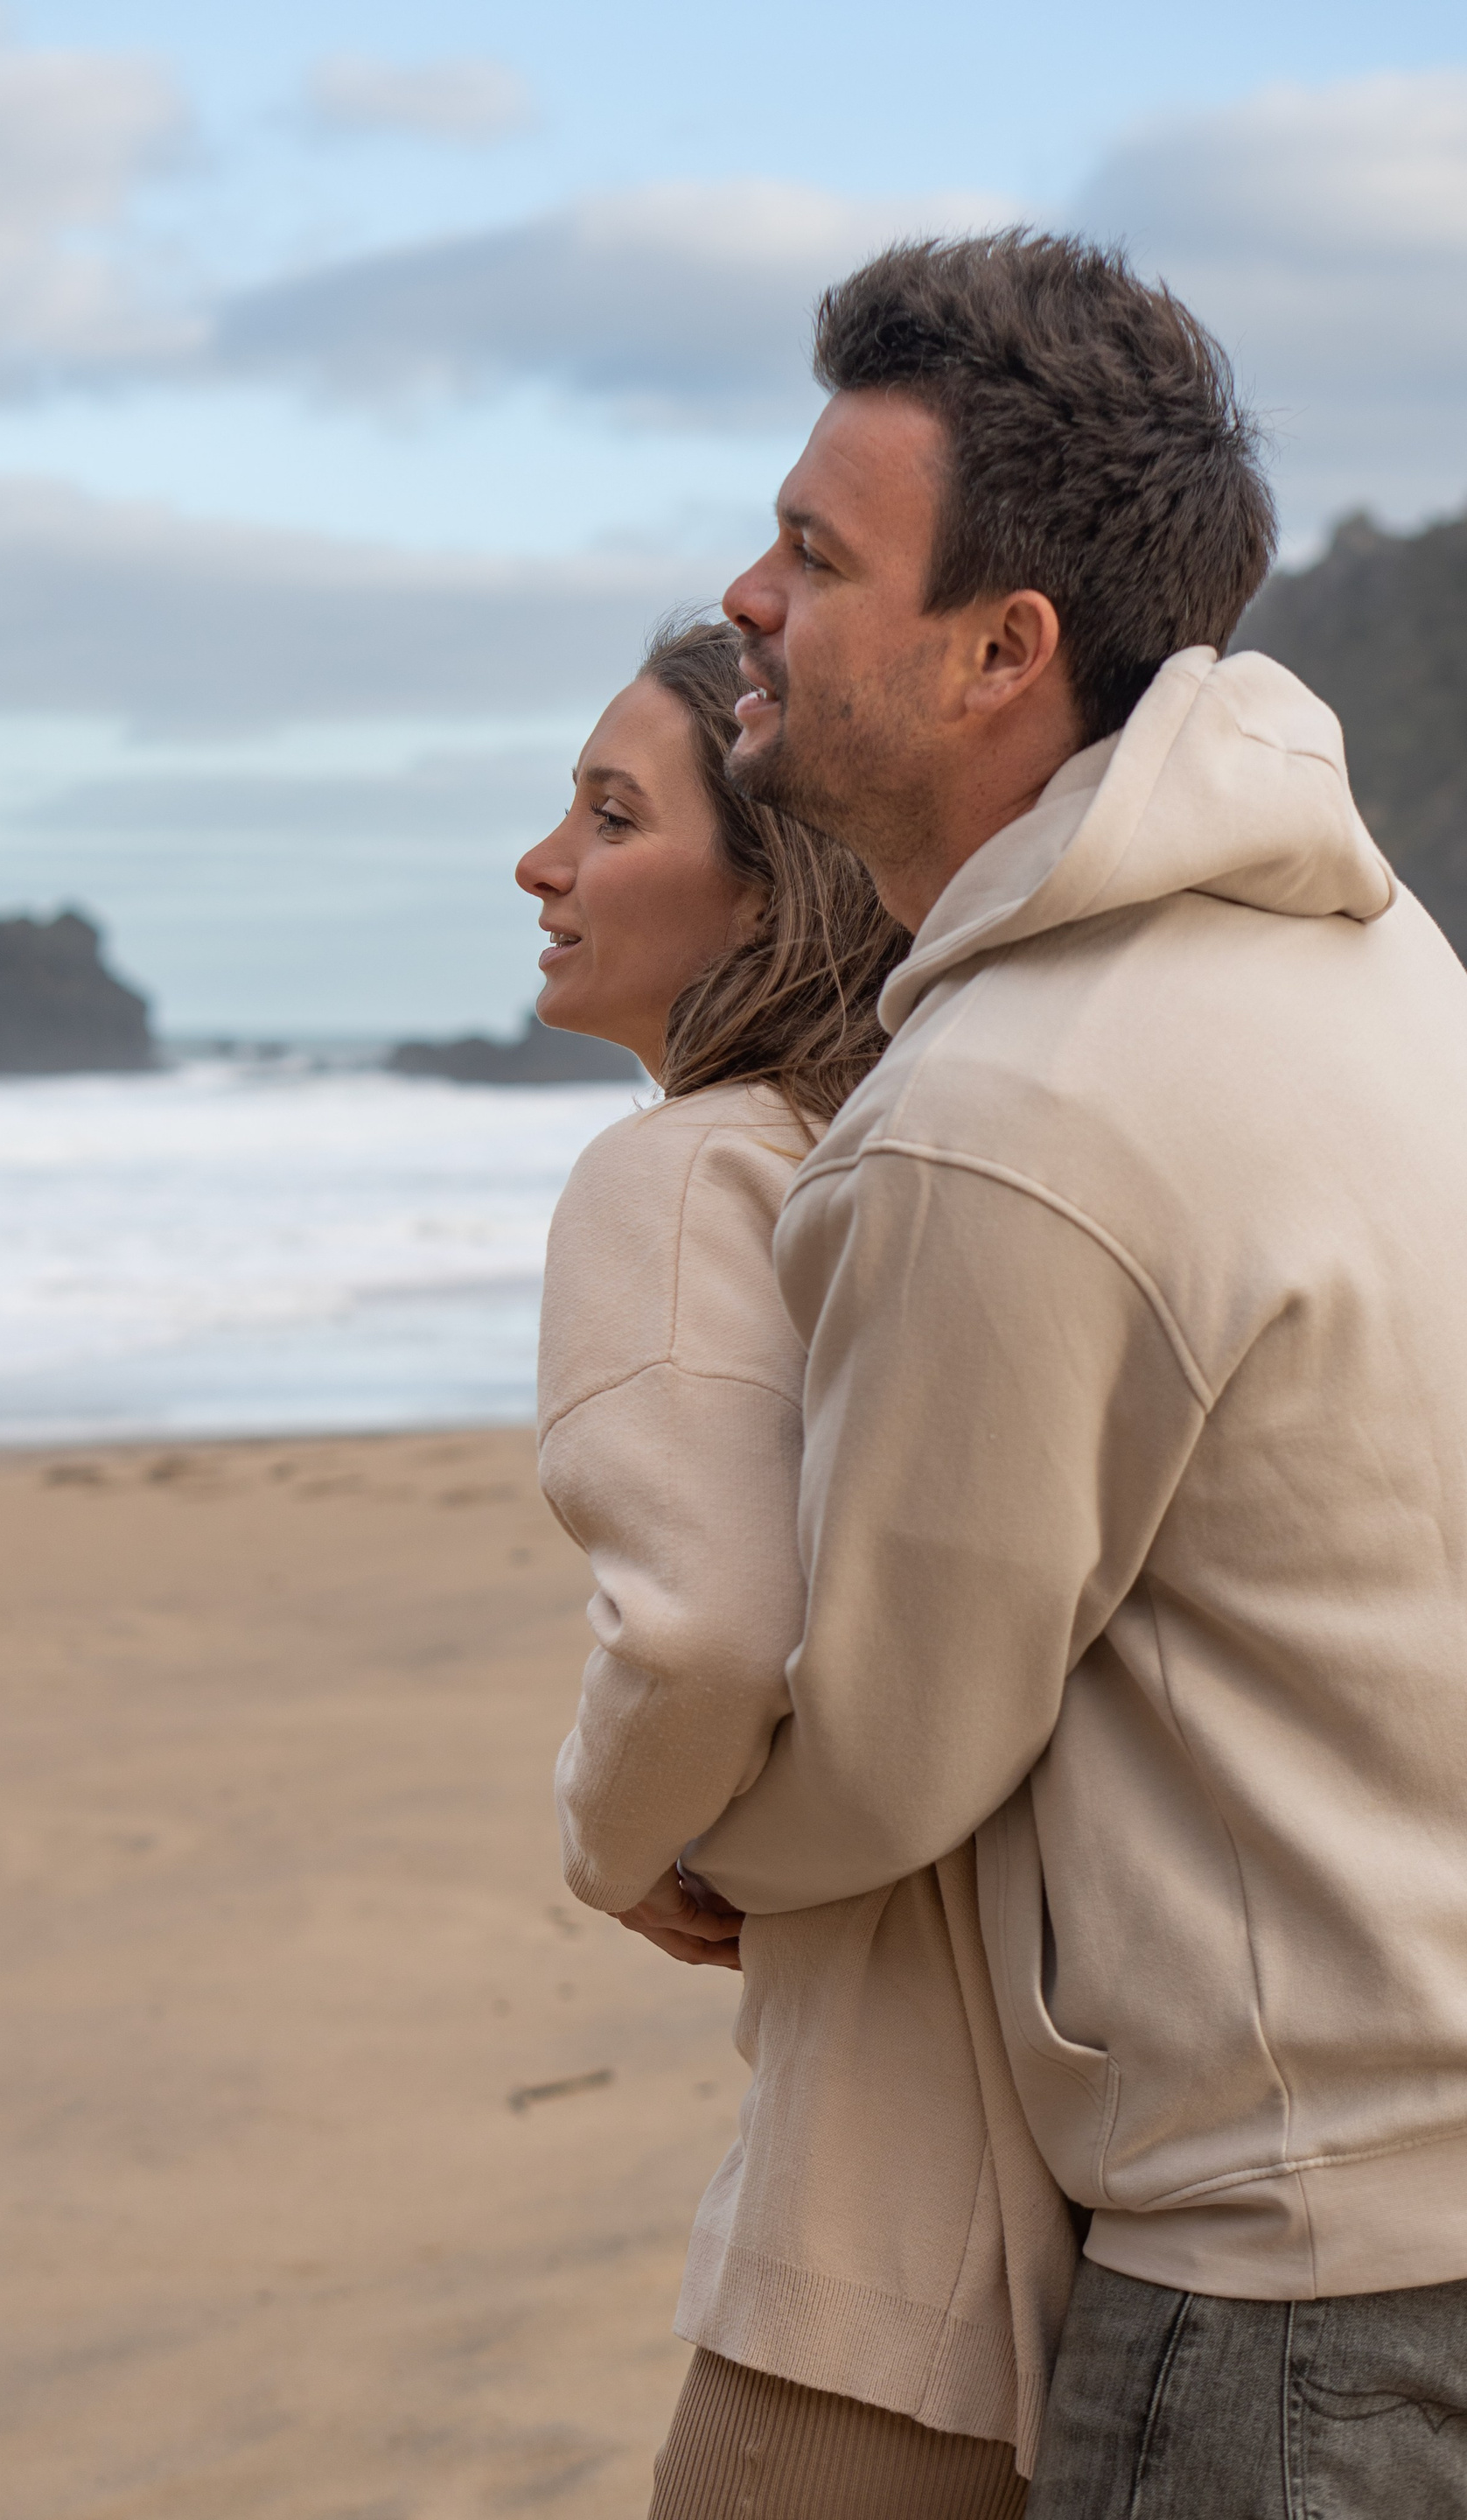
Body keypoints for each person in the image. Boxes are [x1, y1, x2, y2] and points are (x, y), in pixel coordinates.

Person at [676, 230, 1467, 2515]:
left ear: (1005, 649)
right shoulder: (1384, 966)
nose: (747, 595)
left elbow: (886, 1752)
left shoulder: (1015, 1114)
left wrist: (682, 1841)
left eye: (819, 556)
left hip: (1295, 2293)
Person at [518, 615, 1079, 2519]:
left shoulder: (685, 1172)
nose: (541, 866)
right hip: (1112, 2137)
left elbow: (701, 1635)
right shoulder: (926, 1150)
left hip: (890, 2203)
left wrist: (619, 1844)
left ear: (770, 892)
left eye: (611, 817)